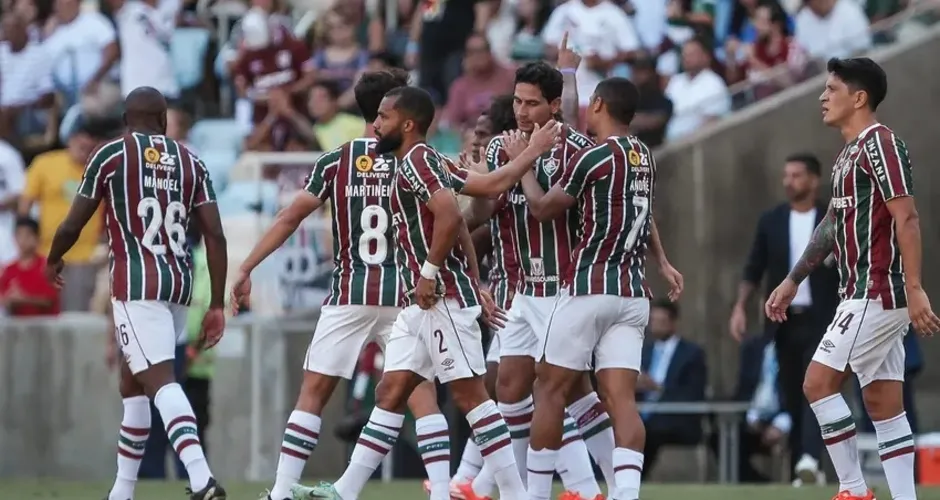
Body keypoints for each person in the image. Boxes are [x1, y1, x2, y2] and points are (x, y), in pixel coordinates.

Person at [291, 85, 562, 500]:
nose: (376, 124)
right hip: (424, 302)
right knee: (392, 390)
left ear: (408, 123)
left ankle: (515, 494)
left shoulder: (415, 160)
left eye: (383, 117)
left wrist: (431, 273)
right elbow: (491, 186)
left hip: (439, 299)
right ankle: (345, 490)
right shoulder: (427, 158)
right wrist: (531, 153)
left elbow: (451, 215)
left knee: (471, 395)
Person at [765, 57, 940, 500]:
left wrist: (915, 289)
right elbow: (830, 225)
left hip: (875, 290)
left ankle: (853, 490)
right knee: (883, 403)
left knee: (816, 384)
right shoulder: (849, 153)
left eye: (831, 89)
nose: (823, 97)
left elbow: (908, 216)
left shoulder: (881, 144)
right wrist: (792, 280)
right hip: (863, 290)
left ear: (858, 97)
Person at [43, 86, 228, 500]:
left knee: (160, 381)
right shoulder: (191, 160)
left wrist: (54, 256)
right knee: (133, 383)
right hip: (178, 283)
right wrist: (215, 301)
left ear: (127, 120)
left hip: (136, 282)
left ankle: (201, 478)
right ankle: (122, 491)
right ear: (163, 120)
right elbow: (214, 235)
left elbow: (75, 221)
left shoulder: (110, 155)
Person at [518, 76, 682, 500]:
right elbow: (643, 217)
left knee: (549, 387)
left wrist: (523, 167)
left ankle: (535, 493)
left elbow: (542, 209)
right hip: (632, 293)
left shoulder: (593, 158)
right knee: (620, 398)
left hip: (590, 285)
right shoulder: (645, 156)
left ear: (598, 104)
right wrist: (661, 261)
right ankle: (625, 493)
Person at [460, 60, 612, 500]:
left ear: (554, 105)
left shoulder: (578, 150)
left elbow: (550, 209)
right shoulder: (499, 148)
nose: (522, 112)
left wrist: (518, 162)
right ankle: (580, 489)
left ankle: (570, 488)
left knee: (559, 389)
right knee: (512, 388)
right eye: (517, 101)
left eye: (532, 104)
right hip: (524, 289)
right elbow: (485, 210)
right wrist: (470, 204)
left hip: (566, 287)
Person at [728, 152, 839, 484]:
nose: (789, 181)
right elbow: (754, 266)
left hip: (823, 319)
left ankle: (809, 458)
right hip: (782, 321)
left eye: (797, 175)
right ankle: (800, 466)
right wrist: (740, 307)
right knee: (790, 392)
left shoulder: (830, 218)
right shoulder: (772, 219)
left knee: (815, 387)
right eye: (786, 175)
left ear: (814, 180)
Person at [638, 299, 707, 479]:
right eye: (653, 321)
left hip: (676, 419)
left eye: (661, 322)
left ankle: (632, 481)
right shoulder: (642, 350)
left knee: (646, 433)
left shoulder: (692, 354)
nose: (656, 326)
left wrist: (658, 388)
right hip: (641, 414)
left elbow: (693, 393)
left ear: (673, 323)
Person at [0, 217, 60, 316]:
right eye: (19, 235)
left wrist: (23, 299)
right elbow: (3, 298)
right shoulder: (9, 270)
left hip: (45, 326)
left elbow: (49, 301)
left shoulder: (47, 267)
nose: (22, 240)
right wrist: (9, 300)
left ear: (37, 238)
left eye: (27, 235)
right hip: (17, 328)